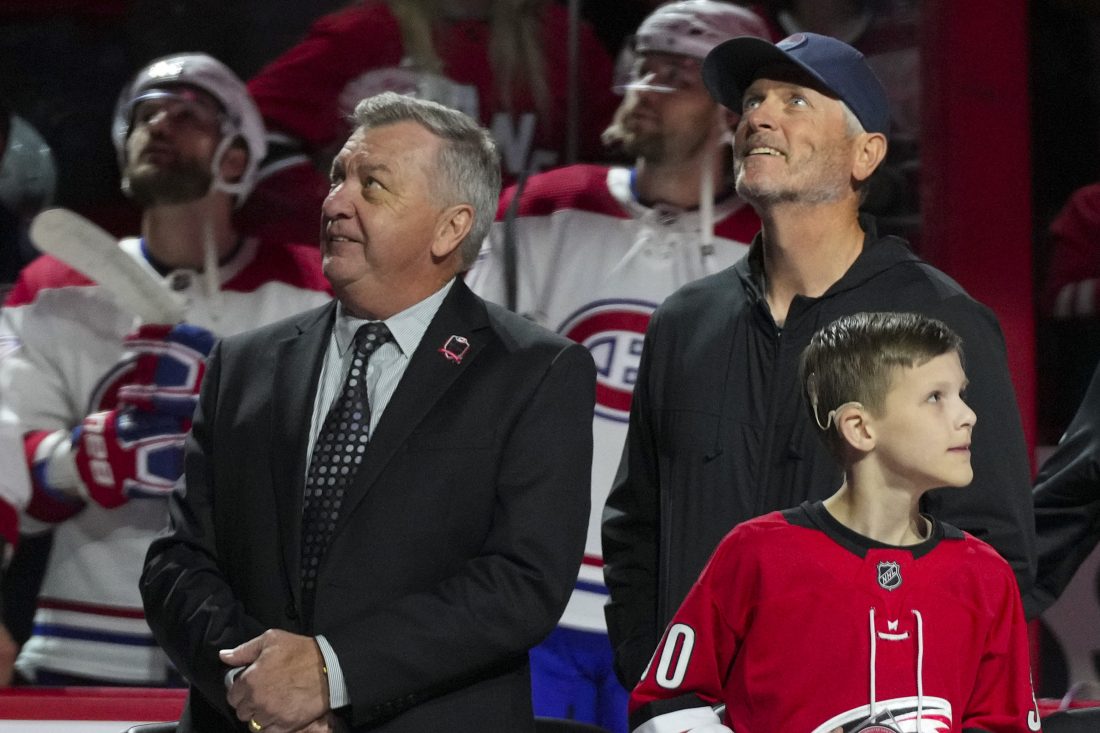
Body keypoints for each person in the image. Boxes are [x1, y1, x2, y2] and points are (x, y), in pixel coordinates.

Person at [140, 91, 596, 733]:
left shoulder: (534, 372)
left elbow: (521, 583)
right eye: (338, 178)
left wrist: (331, 675)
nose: (335, 203)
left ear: (451, 227)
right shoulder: (244, 364)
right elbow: (177, 563)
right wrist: (254, 690)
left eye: (372, 186)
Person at [601, 32, 1035, 690]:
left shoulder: (943, 323)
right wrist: (654, 677)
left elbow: (993, 557)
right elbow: (636, 527)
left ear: (866, 155)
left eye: (796, 100)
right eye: (751, 101)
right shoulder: (684, 322)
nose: (758, 117)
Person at [465, 2, 767, 729]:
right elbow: (462, 374)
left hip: (687, 606)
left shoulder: (776, 245)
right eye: (646, 65)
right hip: (536, 589)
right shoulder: (541, 209)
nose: (646, 86)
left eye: (677, 73)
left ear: (734, 110)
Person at [0, 53, 332, 686]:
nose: (159, 126)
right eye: (145, 116)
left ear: (237, 157)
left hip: (248, 654)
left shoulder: (311, 291)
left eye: (187, 116)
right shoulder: (54, 287)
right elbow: (11, 467)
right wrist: (82, 458)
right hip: (80, 646)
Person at [628, 312, 1041, 733]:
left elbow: (1005, 723)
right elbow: (666, 705)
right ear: (859, 428)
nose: (967, 415)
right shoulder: (758, 554)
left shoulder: (985, 574)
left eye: (961, 394)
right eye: (936, 397)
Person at [240, 0, 621, 246]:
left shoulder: (566, 42)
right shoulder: (365, 33)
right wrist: (345, 220)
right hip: (398, 276)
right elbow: (240, 127)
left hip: (530, 266)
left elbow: (620, 161)